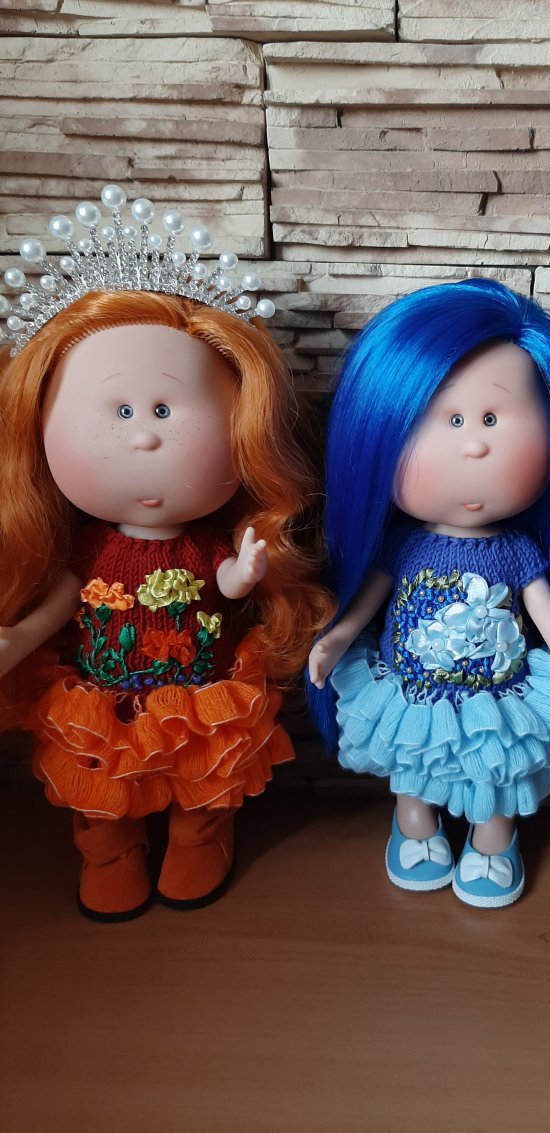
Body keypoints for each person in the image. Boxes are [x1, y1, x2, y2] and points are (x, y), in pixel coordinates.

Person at [0, 187, 333, 920]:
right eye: (121, 410)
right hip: (105, 698)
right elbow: (62, 598)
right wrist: (21, 638)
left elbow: (224, 580)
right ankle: (110, 848)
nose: (145, 435)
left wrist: (243, 572)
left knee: (204, 772)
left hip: (200, 693)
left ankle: (198, 835)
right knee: (101, 780)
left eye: (162, 409)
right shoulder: (90, 546)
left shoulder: (203, 542)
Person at [309, 278, 550, 908]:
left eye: (490, 419)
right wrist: (335, 640)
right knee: (414, 758)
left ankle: (493, 837)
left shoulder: (517, 550)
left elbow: (543, 606)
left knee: (499, 765)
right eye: (450, 421)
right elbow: (367, 602)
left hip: (496, 691)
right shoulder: (403, 549)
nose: (475, 443)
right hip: (414, 688)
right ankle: (414, 824)